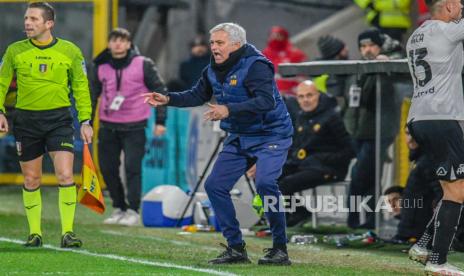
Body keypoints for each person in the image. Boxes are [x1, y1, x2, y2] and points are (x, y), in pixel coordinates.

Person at [143, 22, 294, 265]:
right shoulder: (213, 68)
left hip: (271, 134)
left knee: (265, 183)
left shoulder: (256, 66)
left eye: (219, 43)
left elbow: (265, 102)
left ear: (236, 44)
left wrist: (228, 109)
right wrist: (167, 98)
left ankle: (280, 248)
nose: (213, 47)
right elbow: (196, 94)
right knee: (214, 186)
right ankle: (236, 248)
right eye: (213, 42)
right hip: (240, 135)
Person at [0, 2, 93, 247]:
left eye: (33, 19)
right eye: (26, 18)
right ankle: (35, 234)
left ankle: (68, 233)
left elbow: (81, 88)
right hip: (26, 121)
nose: (27, 23)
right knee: (31, 180)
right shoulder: (14, 51)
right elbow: (1, 82)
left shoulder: (70, 51)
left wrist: (85, 120)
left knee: (64, 175)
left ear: (49, 23)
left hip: (59, 120)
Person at [405, 0, 464, 274]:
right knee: (457, 190)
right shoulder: (448, 30)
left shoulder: (416, 35)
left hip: (420, 117)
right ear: (450, 5)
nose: (462, 9)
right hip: (442, 118)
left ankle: (424, 245)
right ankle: (437, 262)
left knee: (452, 187)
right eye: (461, 5)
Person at [91, 28, 167, 226]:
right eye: (114, 40)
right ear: (108, 43)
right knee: (107, 169)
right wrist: (87, 123)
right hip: (108, 126)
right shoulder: (100, 65)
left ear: (129, 43)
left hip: (135, 126)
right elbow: (91, 96)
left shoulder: (143, 64)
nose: (118, 44)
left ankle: (133, 210)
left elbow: (159, 90)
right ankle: (119, 207)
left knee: (133, 168)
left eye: (122, 40)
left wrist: (160, 121)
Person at [344, 28, 401, 230]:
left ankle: (353, 220)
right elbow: (349, 102)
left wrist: (384, 67)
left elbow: (389, 95)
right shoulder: (356, 70)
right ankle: (369, 221)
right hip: (357, 133)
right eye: (363, 46)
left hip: (378, 133)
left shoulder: (387, 67)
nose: (367, 50)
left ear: (379, 47)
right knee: (369, 178)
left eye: (371, 46)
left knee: (359, 176)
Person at [278, 80, 354, 226]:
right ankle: (297, 213)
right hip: (305, 164)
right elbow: (298, 146)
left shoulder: (332, 117)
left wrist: (323, 159)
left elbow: (350, 150)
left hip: (328, 168)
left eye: (309, 95)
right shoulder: (301, 115)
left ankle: (294, 216)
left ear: (318, 95)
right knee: (269, 177)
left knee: (286, 184)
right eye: (301, 97)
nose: (305, 100)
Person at [262, 26, 307, 96]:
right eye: (272, 36)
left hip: (293, 94)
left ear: (284, 37)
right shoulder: (265, 54)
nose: (275, 38)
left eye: (278, 36)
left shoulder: (296, 54)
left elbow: (303, 76)